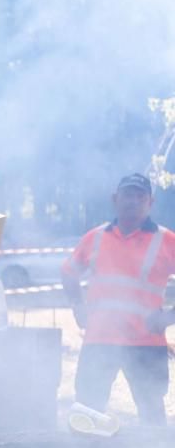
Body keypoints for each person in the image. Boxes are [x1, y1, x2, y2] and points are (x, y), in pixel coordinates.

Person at [62, 173, 175, 426]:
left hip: (147, 343)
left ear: (150, 202)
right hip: (99, 340)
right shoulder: (96, 237)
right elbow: (68, 271)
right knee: (86, 412)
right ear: (116, 199)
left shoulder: (167, 240)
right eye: (127, 195)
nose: (133, 201)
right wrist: (77, 305)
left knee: (152, 417)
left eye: (140, 196)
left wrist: (169, 316)